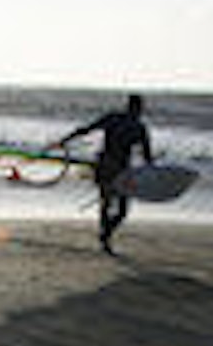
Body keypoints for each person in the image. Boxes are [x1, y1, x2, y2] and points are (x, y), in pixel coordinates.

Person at [54, 94, 154, 255]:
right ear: (137, 108)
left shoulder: (117, 119)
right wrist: (154, 171)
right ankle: (105, 236)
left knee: (110, 205)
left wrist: (65, 139)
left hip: (108, 167)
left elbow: (86, 129)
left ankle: (105, 236)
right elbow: (148, 157)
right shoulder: (137, 127)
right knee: (119, 209)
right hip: (117, 169)